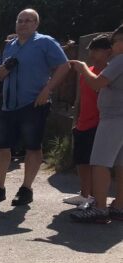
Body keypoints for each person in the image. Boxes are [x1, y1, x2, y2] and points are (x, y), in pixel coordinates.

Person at [0, 8, 70, 206]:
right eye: (20, 20)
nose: (23, 23)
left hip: (34, 103)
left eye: (28, 20)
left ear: (36, 24)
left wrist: (47, 90)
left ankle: (26, 189)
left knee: (32, 147)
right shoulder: (8, 46)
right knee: (2, 147)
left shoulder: (45, 42)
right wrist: (1, 72)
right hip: (9, 105)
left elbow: (65, 66)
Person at [69, 25, 123, 223]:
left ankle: (100, 208)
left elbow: (97, 84)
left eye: (115, 41)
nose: (112, 46)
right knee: (120, 163)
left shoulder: (119, 60)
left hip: (113, 118)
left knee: (100, 163)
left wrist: (83, 68)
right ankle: (119, 205)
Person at [63, 35, 113, 208]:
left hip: (99, 124)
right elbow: (80, 98)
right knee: (81, 161)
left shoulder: (108, 73)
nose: (91, 54)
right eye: (91, 50)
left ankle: (94, 198)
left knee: (95, 163)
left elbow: (98, 88)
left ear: (108, 52)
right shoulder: (87, 71)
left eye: (96, 50)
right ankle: (84, 195)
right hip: (83, 123)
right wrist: (76, 120)